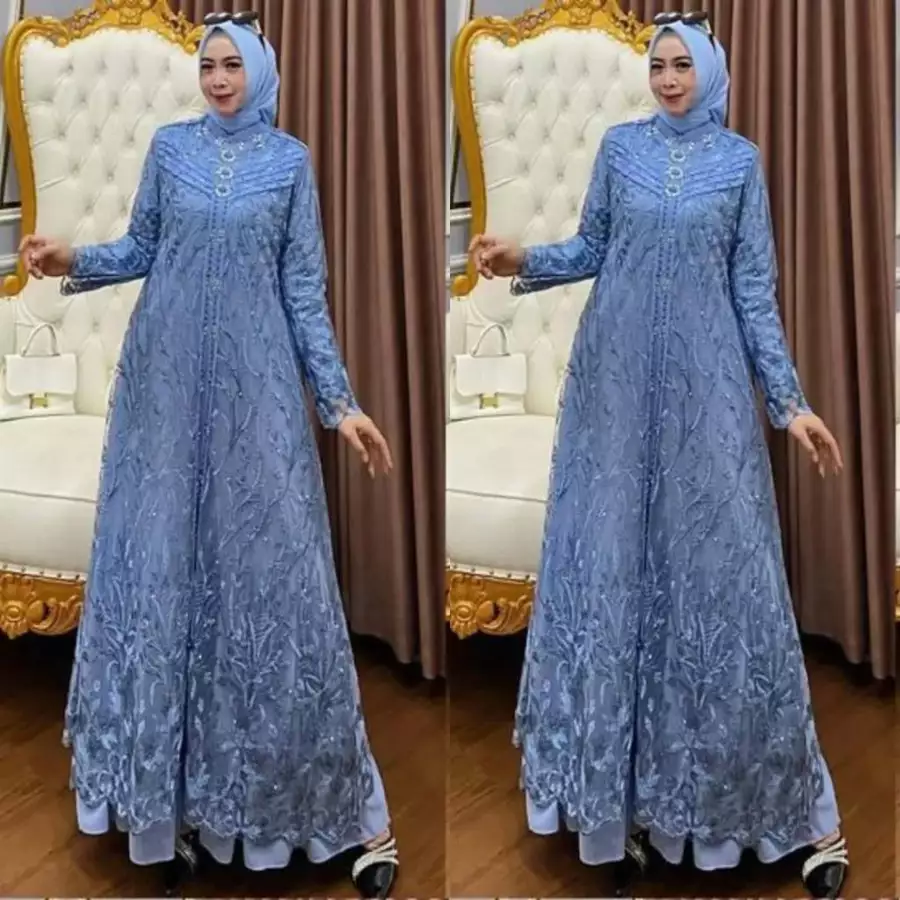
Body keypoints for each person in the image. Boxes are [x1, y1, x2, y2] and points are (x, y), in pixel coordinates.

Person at [19, 13, 399, 899]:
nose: (220, 79)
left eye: (233, 65)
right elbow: (142, 248)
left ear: (260, 70)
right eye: (209, 65)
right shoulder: (170, 148)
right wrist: (73, 256)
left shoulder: (290, 164)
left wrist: (339, 404)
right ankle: (174, 806)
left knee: (273, 585)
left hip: (257, 396)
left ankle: (352, 819)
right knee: (168, 580)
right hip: (163, 391)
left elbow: (304, 294)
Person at [468, 13, 848, 900]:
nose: (669, 78)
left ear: (710, 71)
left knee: (722, 583)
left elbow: (754, 293)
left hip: (707, 397)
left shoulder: (740, 164)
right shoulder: (621, 149)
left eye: (683, 65)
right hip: (613, 390)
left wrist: (789, 404)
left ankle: (793, 815)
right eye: (659, 65)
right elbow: (593, 248)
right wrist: (523, 257)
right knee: (616, 579)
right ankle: (621, 807)